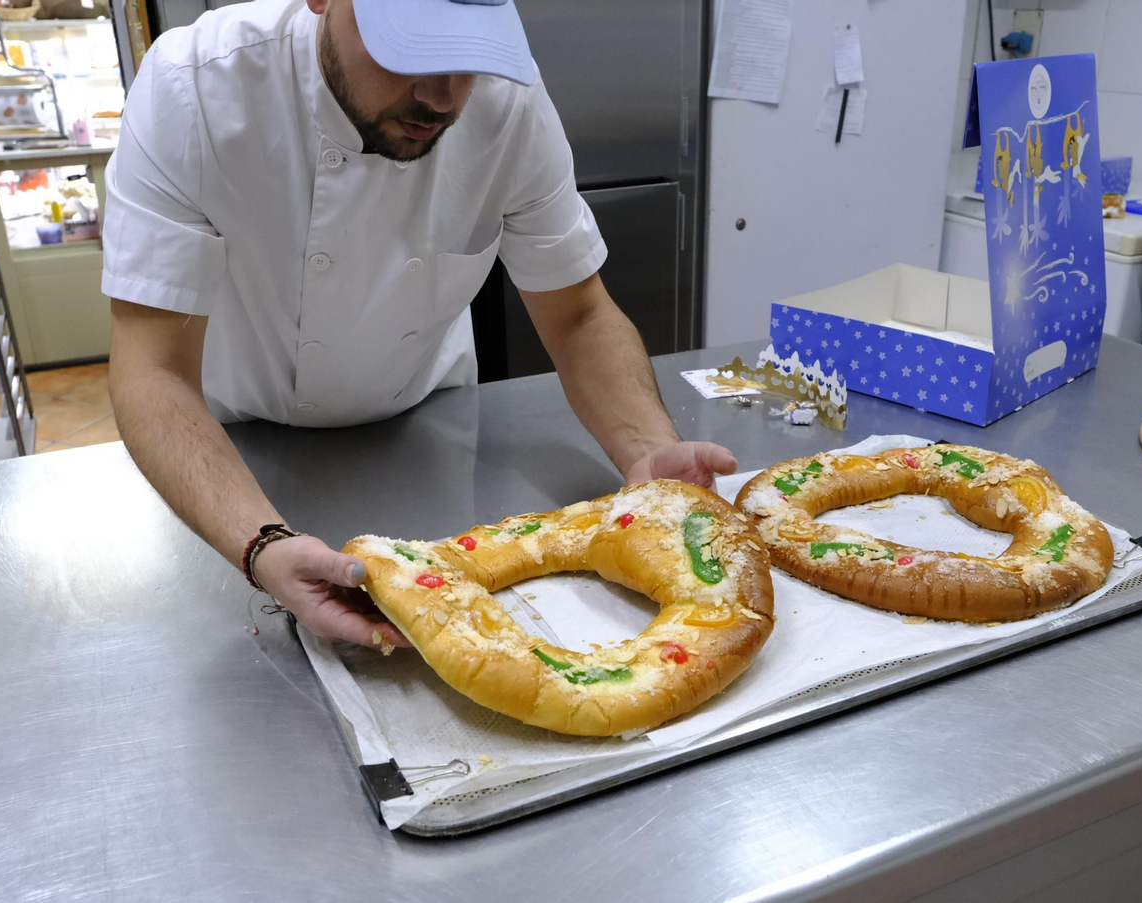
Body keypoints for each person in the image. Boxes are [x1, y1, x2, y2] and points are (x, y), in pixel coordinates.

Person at [103, 0, 735, 650]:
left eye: (468, 54)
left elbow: (577, 314)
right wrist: (261, 543)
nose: (441, 96)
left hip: (426, 432)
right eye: (410, 47)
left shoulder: (507, 105)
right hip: (231, 452)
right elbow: (153, 372)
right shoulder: (195, 88)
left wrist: (644, 448)